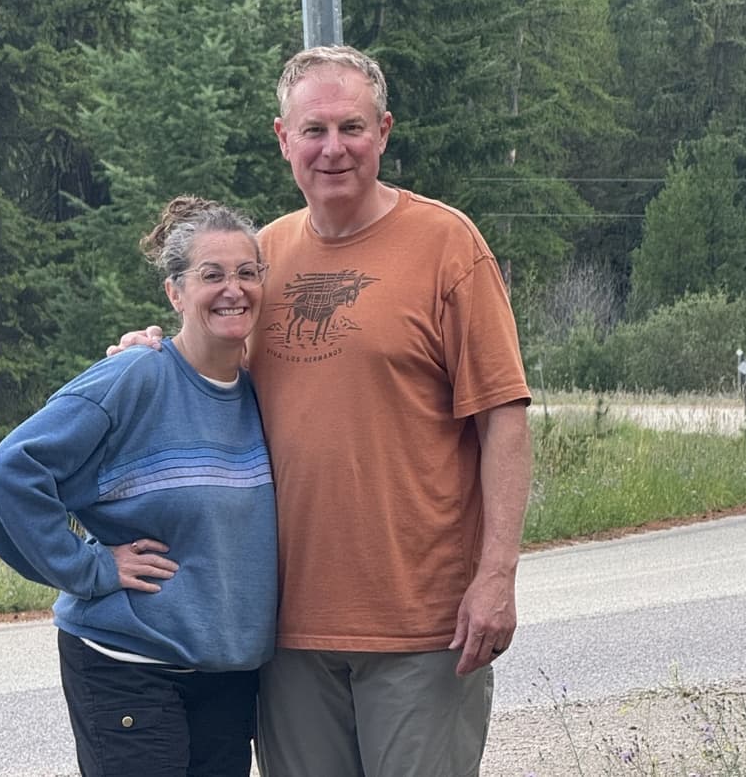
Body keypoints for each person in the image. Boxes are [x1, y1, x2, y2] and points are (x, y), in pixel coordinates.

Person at [118, 45, 533, 777]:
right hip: (284, 631)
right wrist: (150, 351)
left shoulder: (447, 246)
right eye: (314, 130)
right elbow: (207, 374)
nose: (333, 148)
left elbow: (503, 417)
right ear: (284, 139)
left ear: (384, 132)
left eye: (351, 127)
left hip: (423, 625)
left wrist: (496, 576)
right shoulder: (262, 259)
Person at [0, 197, 277, 777]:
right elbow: (10, 473)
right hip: (128, 663)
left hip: (227, 673)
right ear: (175, 292)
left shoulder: (264, 393)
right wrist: (89, 568)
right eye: (211, 275)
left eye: (247, 272)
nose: (233, 289)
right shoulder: (137, 374)